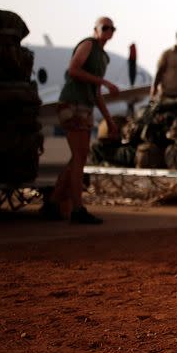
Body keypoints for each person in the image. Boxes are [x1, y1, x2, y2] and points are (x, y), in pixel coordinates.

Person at [41, 17, 120, 224]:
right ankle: (77, 209)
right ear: (95, 30)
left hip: (85, 107)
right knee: (79, 156)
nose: (108, 31)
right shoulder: (88, 45)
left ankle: (52, 204)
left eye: (112, 28)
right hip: (72, 104)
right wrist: (103, 81)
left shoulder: (103, 57)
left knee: (78, 157)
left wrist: (109, 121)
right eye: (105, 28)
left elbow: (96, 93)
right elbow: (73, 70)